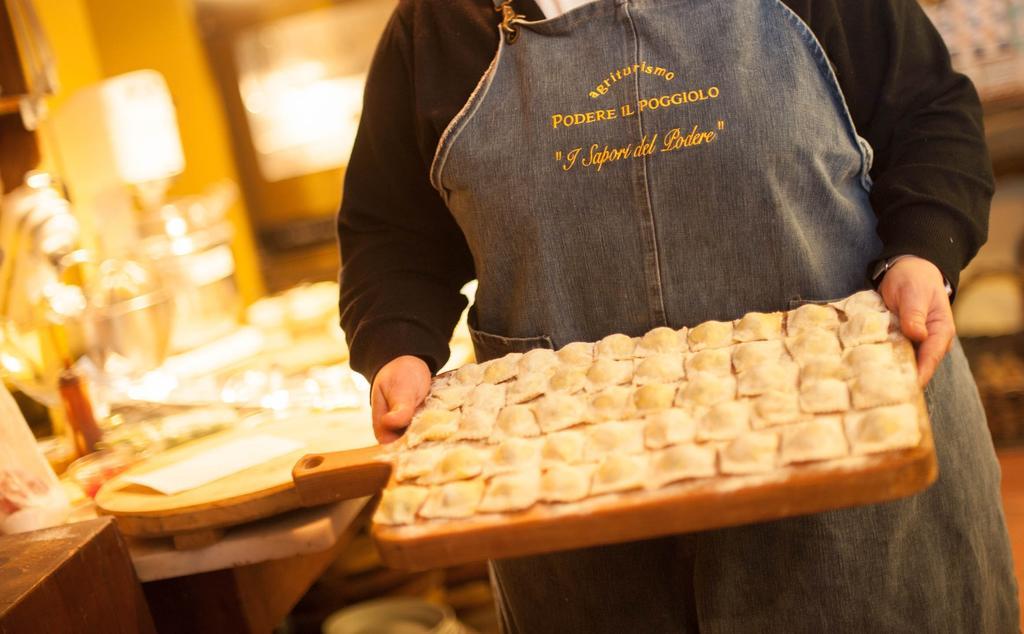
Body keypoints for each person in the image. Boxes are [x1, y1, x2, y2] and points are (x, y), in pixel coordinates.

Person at [337, 0, 1020, 630]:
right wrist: (397, 345)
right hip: (584, 534)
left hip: (865, 523)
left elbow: (928, 114)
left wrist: (923, 254)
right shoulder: (440, 26)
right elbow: (391, 232)